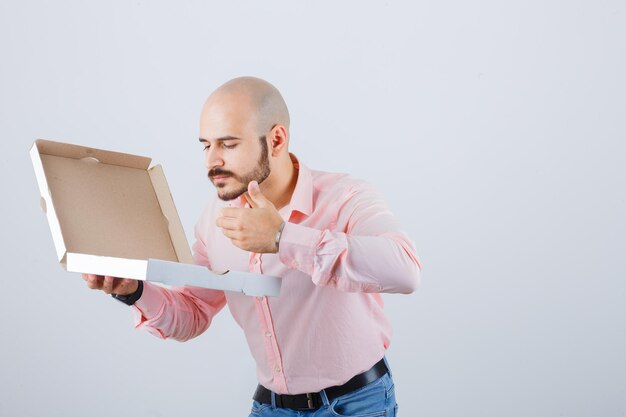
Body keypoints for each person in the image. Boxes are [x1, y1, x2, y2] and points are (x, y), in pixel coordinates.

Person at [82, 76, 422, 416]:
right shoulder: (214, 220)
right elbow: (194, 311)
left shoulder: (346, 197)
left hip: (358, 404)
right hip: (270, 408)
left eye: (228, 145)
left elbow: (404, 270)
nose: (210, 161)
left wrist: (283, 238)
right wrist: (134, 292)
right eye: (206, 145)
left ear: (275, 140)